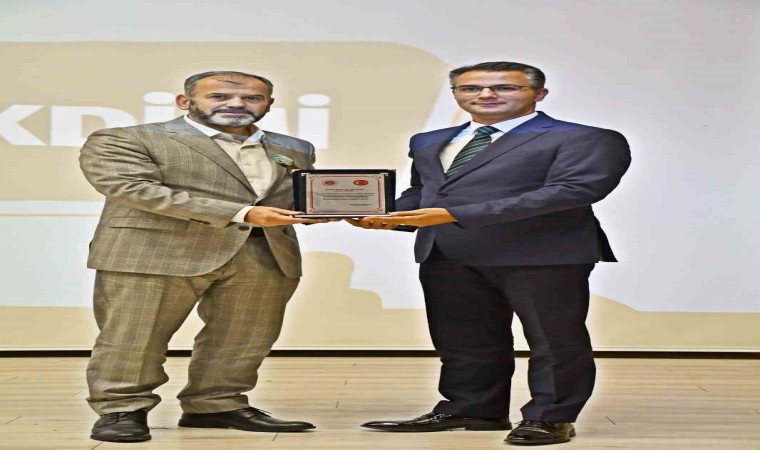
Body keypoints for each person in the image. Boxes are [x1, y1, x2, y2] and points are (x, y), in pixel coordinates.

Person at [348, 61, 631, 446]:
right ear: (456, 95)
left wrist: (454, 215)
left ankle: (551, 417)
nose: (485, 95)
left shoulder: (586, 138)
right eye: (470, 88)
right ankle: (473, 409)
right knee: (463, 340)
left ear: (539, 94)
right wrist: (380, 215)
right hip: (447, 251)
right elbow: (425, 194)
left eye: (504, 87)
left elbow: (572, 191)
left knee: (553, 341)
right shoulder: (428, 140)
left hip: (542, 254)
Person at [79, 70, 329, 443]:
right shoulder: (126, 138)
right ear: (185, 101)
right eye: (219, 96)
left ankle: (216, 405)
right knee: (134, 336)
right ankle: (121, 409)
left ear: (269, 104)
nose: (236, 104)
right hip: (155, 252)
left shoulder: (294, 147)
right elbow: (134, 189)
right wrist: (243, 213)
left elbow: (295, 197)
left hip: (263, 252)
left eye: (251, 98)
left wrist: (331, 208)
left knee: (244, 336)